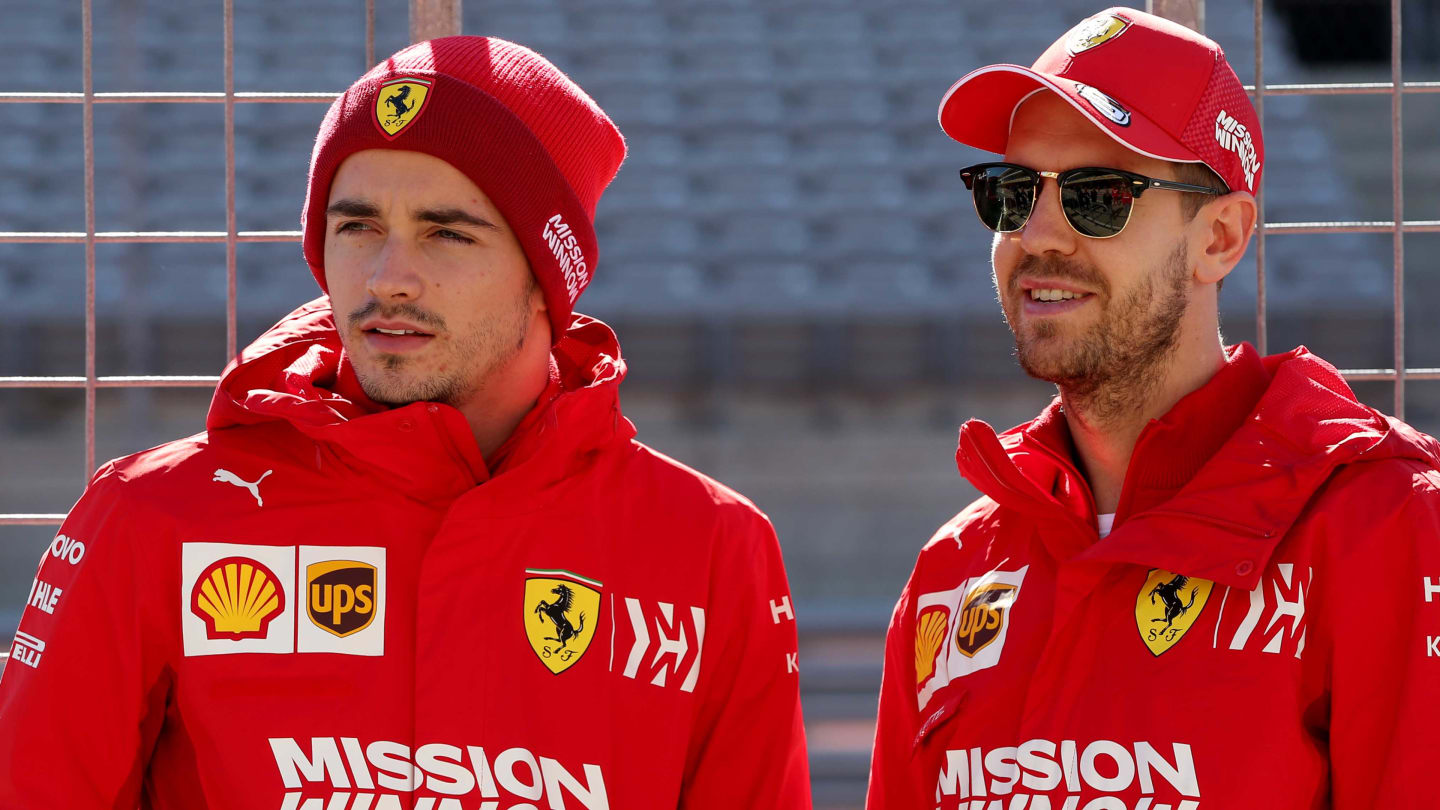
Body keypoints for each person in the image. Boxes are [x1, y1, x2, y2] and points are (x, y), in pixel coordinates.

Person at [0, 36, 811, 809]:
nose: (389, 278)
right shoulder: (153, 515)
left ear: (548, 278)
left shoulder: (708, 547)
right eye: (357, 227)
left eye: (447, 234)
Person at [866, 8, 1440, 809]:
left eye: (1099, 195)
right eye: (1013, 190)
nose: (1039, 234)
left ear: (1220, 239)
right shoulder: (954, 567)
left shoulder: (1385, 525)